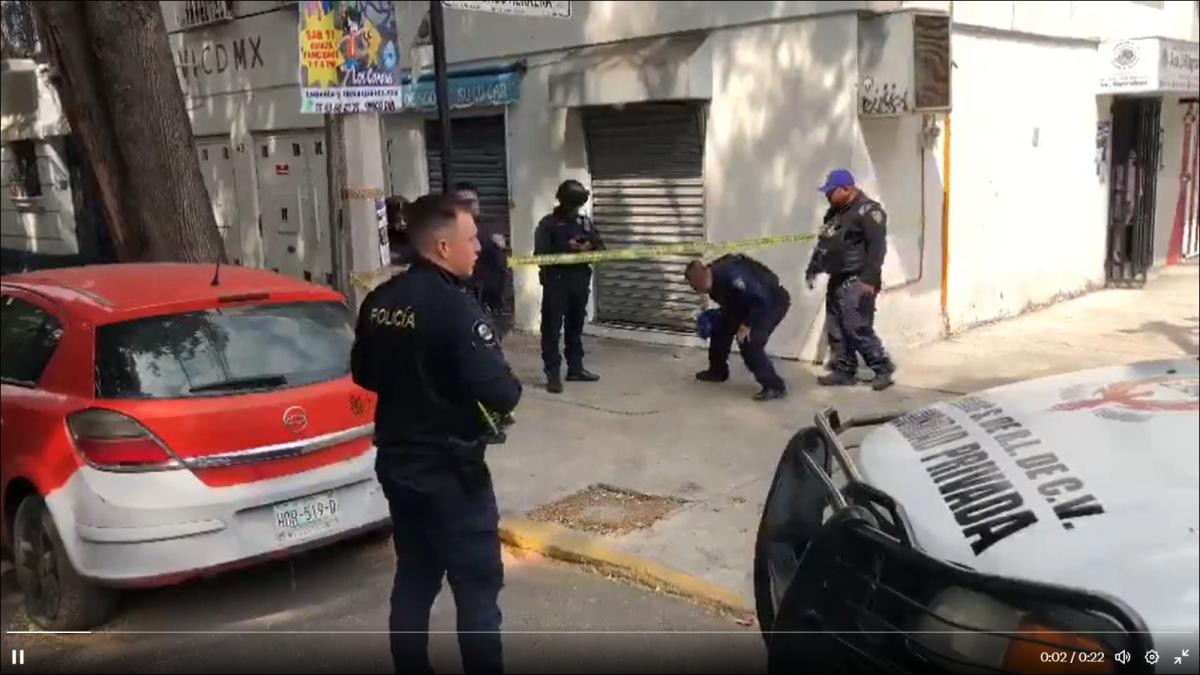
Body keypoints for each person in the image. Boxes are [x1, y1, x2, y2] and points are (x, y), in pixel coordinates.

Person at [351, 193, 522, 674]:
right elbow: (503, 393)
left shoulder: (380, 300)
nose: (479, 250)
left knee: (415, 574)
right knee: (477, 589)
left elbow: (363, 374)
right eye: (471, 240)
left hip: (399, 465)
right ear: (442, 246)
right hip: (452, 471)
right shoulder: (455, 309)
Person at [805, 168, 895, 391]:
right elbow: (823, 243)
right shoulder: (833, 213)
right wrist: (813, 268)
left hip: (858, 279)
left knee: (857, 327)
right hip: (837, 277)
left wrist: (869, 280)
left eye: (831, 192)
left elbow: (877, 249)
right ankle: (844, 370)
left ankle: (882, 368)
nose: (827, 196)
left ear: (846, 189)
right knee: (835, 327)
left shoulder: (868, 211)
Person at [685, 254, 791, 401]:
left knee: (749, 342)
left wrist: (747, 324)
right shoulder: (712, 282)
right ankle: (717, 372)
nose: (695, 290)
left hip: (770, 302)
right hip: (746, 303)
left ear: (701, 278)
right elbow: (733, 302)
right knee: (720, 329)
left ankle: (774, 386)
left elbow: (760, 299)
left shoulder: (731, 275)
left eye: (694, 286)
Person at [534, 179, 604, 394]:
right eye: (573, 204)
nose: (576, 209)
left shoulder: (584, 222)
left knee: (575, 327)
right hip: (556, 284)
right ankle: (553, 374)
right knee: (552, 329)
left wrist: (589, 247)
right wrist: (566, 247)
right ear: (564, 202)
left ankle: (575, 368)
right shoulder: (548, 224)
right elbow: (540, 254)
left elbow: (601, 247)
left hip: (579, 283)